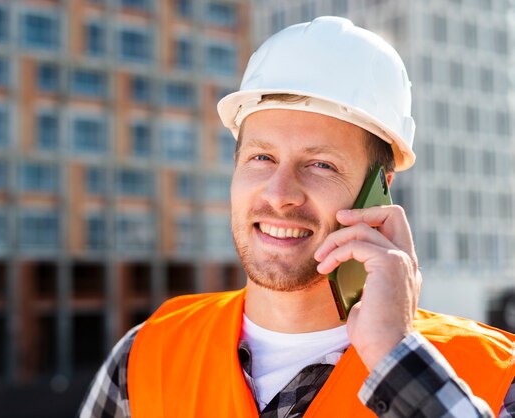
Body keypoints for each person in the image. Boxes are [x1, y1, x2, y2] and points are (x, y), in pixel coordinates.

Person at [79, 16, 515, 417]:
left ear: (378, 191)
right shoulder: (146, 355)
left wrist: (395, 356)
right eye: (261, 157)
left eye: (320, 165)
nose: (280, 194)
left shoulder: (495, 375)